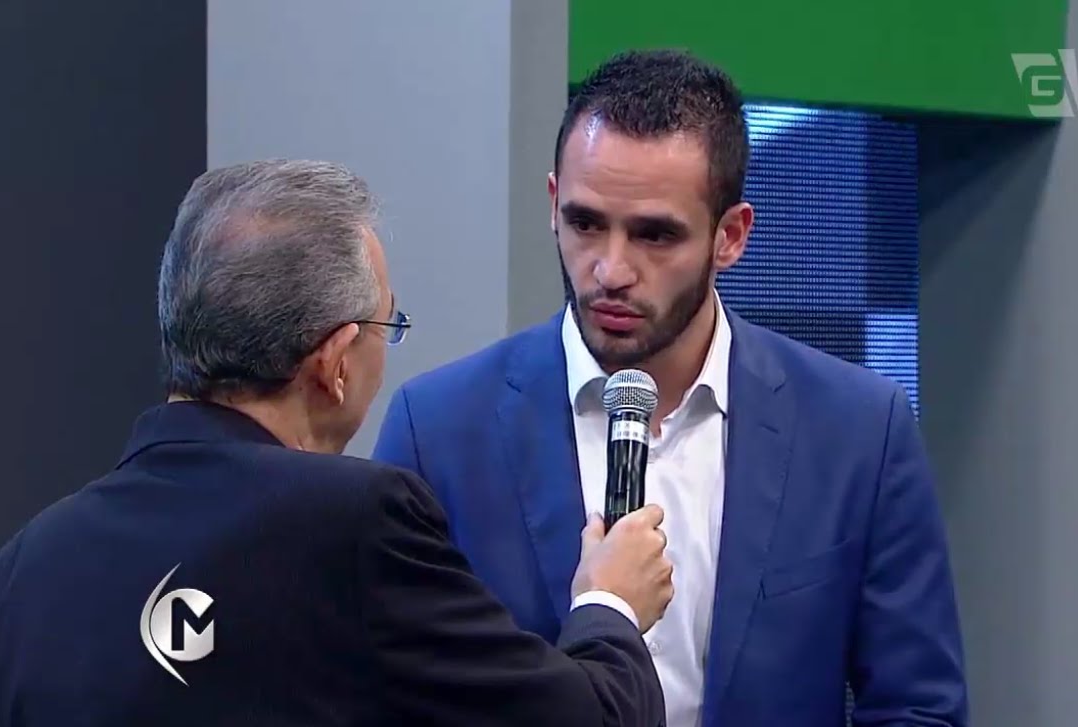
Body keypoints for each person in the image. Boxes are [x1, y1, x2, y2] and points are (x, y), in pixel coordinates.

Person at [0, 159, 674, 726]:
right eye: (388, 326)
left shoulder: (19, 575)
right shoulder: (354, 523)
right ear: (333, 361)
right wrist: (609, 603)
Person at [373, 50, 969, 727]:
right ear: (553, 203)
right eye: (585, 223)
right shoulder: (439, 429)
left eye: (654, 235)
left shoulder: (858, 430)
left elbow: (919, 707)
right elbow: (384, 695)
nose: (610, 270)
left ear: (730, 236)